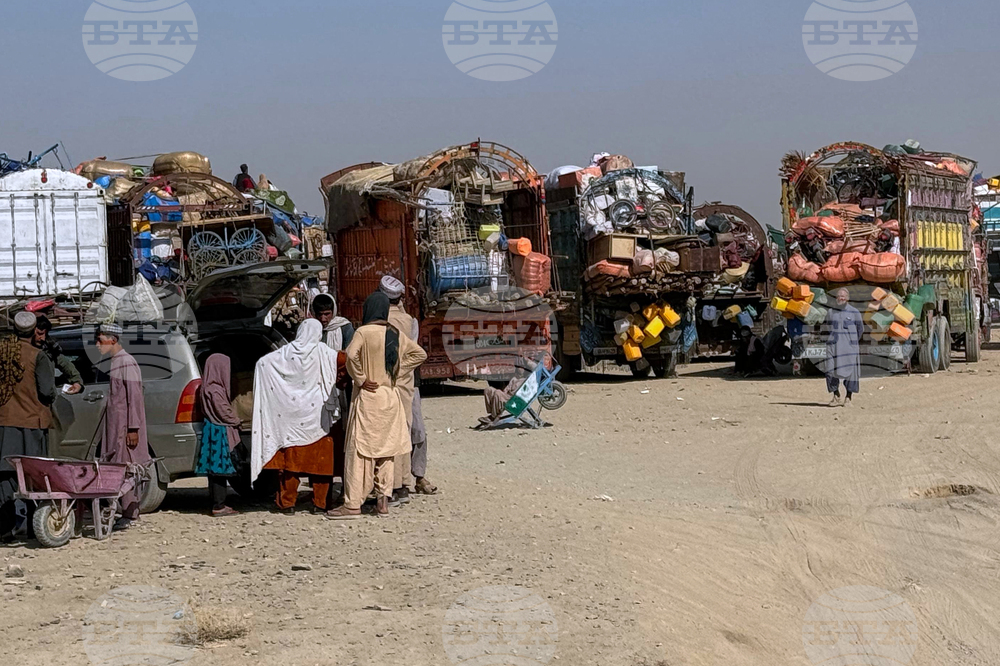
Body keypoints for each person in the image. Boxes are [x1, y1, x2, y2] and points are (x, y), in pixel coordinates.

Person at [327, 293, 427, 520]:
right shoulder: (394, 333)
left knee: (359, 452)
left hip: (369, 397)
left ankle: (353, 504)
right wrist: (397, 372)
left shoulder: (363, 332)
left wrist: (361, 378)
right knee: (386, 453)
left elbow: (351, 355)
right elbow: (420, 354)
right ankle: (383, 502)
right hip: (390, 396)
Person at [251, 319, 340, 515]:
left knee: (290, 465)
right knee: (321, 465)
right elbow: (344, 363)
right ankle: (320, 503)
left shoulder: (283, 354)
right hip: (318, 420)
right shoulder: (326, 353)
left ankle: (287, 503)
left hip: (291, 420)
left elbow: (262, 363)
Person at [0, 313, 56, 540]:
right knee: (33, 478)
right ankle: (33, 529)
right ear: (34, 331)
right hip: (31, 424)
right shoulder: (38, 356)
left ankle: (5, 528)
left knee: (5, 477)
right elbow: (47, 392)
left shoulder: (3, 353)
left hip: (3, 423)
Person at [379, 276, 432, 505]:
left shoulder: (378, 322)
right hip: (408, 383)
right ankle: (407, 482)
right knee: (412, 430)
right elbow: (415, 352)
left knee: (390, 433)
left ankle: (394, 484)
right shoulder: (410, 321)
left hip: (385, 384)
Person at [96, 323, 150, 531]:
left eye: (100, 340)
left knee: (128, 468)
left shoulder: (127, 362)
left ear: (113, 340)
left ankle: (130, 513)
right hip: (116, 425)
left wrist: (133, 428)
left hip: (126, 426)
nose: (98, 345)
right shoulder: (116, 362)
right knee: (118, 467)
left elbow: (134, 397)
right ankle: (122, 511)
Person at [311, 294, 354, 508]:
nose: (324, 319)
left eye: (327, 314)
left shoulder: (345, 328)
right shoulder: (311, 330)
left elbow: (349, 357)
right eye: (320, 314)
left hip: (341, 389)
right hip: (318, 392)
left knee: (344, 436)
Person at [196, 354, 241, 517]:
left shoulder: (205, 387)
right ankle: (219, 505)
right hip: (219, 432)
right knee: (219, 469)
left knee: (213, 471)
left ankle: (216, 502)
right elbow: (223, 412)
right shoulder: (215, 390)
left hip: (210, 429)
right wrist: (237, 420)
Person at [826, 288, 864, 406]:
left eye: (843, 296)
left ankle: (848, 398)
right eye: (838, 296)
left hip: (849, 348)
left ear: (847, 298)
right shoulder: (831, 312)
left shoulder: (854, 312)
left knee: (851, 373)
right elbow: (827, 327)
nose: (841, 298)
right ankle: (836, 395)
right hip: (833, 347)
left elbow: (860, 329)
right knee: (830, 370)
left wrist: (852, 341)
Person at [33, 315, 83, 395]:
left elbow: (66, 365)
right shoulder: (19, 350)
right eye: (40, 334)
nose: (42, 338)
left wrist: (77, 382)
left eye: (45, 334)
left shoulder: (49, 351)